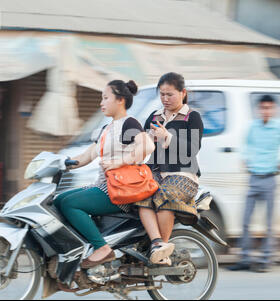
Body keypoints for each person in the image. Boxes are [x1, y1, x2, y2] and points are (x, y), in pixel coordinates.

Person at [53, 80, 155, 269]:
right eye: (102, 98)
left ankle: (102, 248)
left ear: (120, 100)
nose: (101, 103)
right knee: (58, 200)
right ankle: (83, 245)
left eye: (106, 98)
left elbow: (148, 146)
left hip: (120, 191)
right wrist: (59, 163)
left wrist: (120, 161)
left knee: (69, 203)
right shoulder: (106, 129)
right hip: (104, 187)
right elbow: (85, 156)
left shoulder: (128, 123)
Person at [228, 94, 280, 273]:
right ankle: (245, 259)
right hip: (254, 177)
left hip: (270, 178)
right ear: (258, 109)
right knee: (245, 221)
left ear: (275, 109)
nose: (266, 111)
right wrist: (245, 158)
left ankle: (266, 260)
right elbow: (246, 145)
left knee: (269, 223)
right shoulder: (252, 127)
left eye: (269, 108)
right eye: (263, 108)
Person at [135, 72, 204, 265]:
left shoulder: (192, 117)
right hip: (156, 172)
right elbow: (141, 143)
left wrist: (167, 136)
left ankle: (161, 250)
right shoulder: (154, 116)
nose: (165, 99)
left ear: (183, 93)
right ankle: (154, 242)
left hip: (183, 175)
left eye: (170, 94)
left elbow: (192, 149)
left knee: (163, 195)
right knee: (139, 195)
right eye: (162, 94)